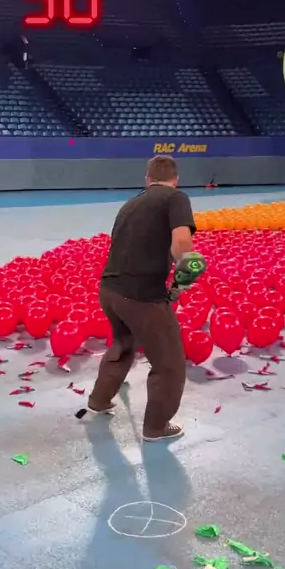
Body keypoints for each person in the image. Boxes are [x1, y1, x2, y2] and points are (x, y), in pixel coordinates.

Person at [86, 156, 200, 441]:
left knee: (123, 345)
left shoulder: (130, 204)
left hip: (110, 290)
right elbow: (182, 243)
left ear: (147, 179)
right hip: (141, 295)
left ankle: (99, 400)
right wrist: (185, 274)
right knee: (169, 363)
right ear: (175, 179)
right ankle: (156, 427)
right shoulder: (175, 197)